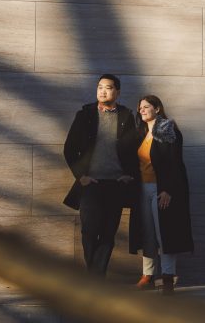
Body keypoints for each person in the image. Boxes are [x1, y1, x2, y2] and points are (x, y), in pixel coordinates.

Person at [63, 74, 140, 275]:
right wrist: (81, 176)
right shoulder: (85, 114)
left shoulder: (126, 116)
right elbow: (69, 149)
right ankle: (94, 278)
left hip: (115, 184)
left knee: (107, 234)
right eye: (99, 87)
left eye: (108, 87)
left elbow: (133, 150)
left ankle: (97, 278)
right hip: (91, 184)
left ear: (117, 92)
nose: (102, 91)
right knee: (89, 231)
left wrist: (128, 174)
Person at [129, 94, 193, 295]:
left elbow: (174, 164)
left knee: (164, 234)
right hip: (142, 189)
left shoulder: (167, 130)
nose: (142, 110)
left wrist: (168, 190)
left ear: (157, 108)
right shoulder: (139, 132)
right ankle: (147, 276)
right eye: (140, 108)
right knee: (146, 233)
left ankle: (167, 277)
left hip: (161, 189)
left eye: (146, 106)